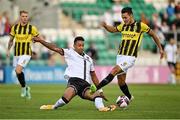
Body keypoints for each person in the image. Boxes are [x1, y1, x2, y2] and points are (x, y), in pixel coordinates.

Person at [91, 7, 164, 102]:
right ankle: (129, 97)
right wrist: (105, 26)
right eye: (122, 18)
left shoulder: (141, 26)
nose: (124, 20)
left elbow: (153, 34)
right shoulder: (123, 26)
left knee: (114, 70)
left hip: (130, 57)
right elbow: (113, 29)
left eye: (125, 17)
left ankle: (96, 89)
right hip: (120, 56)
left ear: (131, 15)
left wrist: (160, 49)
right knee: (121, 82)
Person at [33, 36, 116, 112]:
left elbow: (93, 75)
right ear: (74, 46)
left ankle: (102, 108)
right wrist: (41, 41)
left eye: (83, 45)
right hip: (74, 81)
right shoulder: (69, 52)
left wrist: (100, 90)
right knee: (65, 99)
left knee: (97, 96)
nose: (81, 47)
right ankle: (54, 106)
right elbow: (55, 48)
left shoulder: (89, 59)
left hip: (85, 84)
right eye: (79, 45)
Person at [6, 10, 40, 99]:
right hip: (16, 53)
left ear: (27, 17)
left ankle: (23, 88)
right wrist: (8, 50)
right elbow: (11, 40)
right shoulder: (15, 27)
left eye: (26, 16)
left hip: (26, 53)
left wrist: (34, 39)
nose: (25, 18)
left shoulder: (32, 28)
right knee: (18, 73)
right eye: (23, 16)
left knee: (18, 70)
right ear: (20, 17)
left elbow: (38, 38)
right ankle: (25, 88)